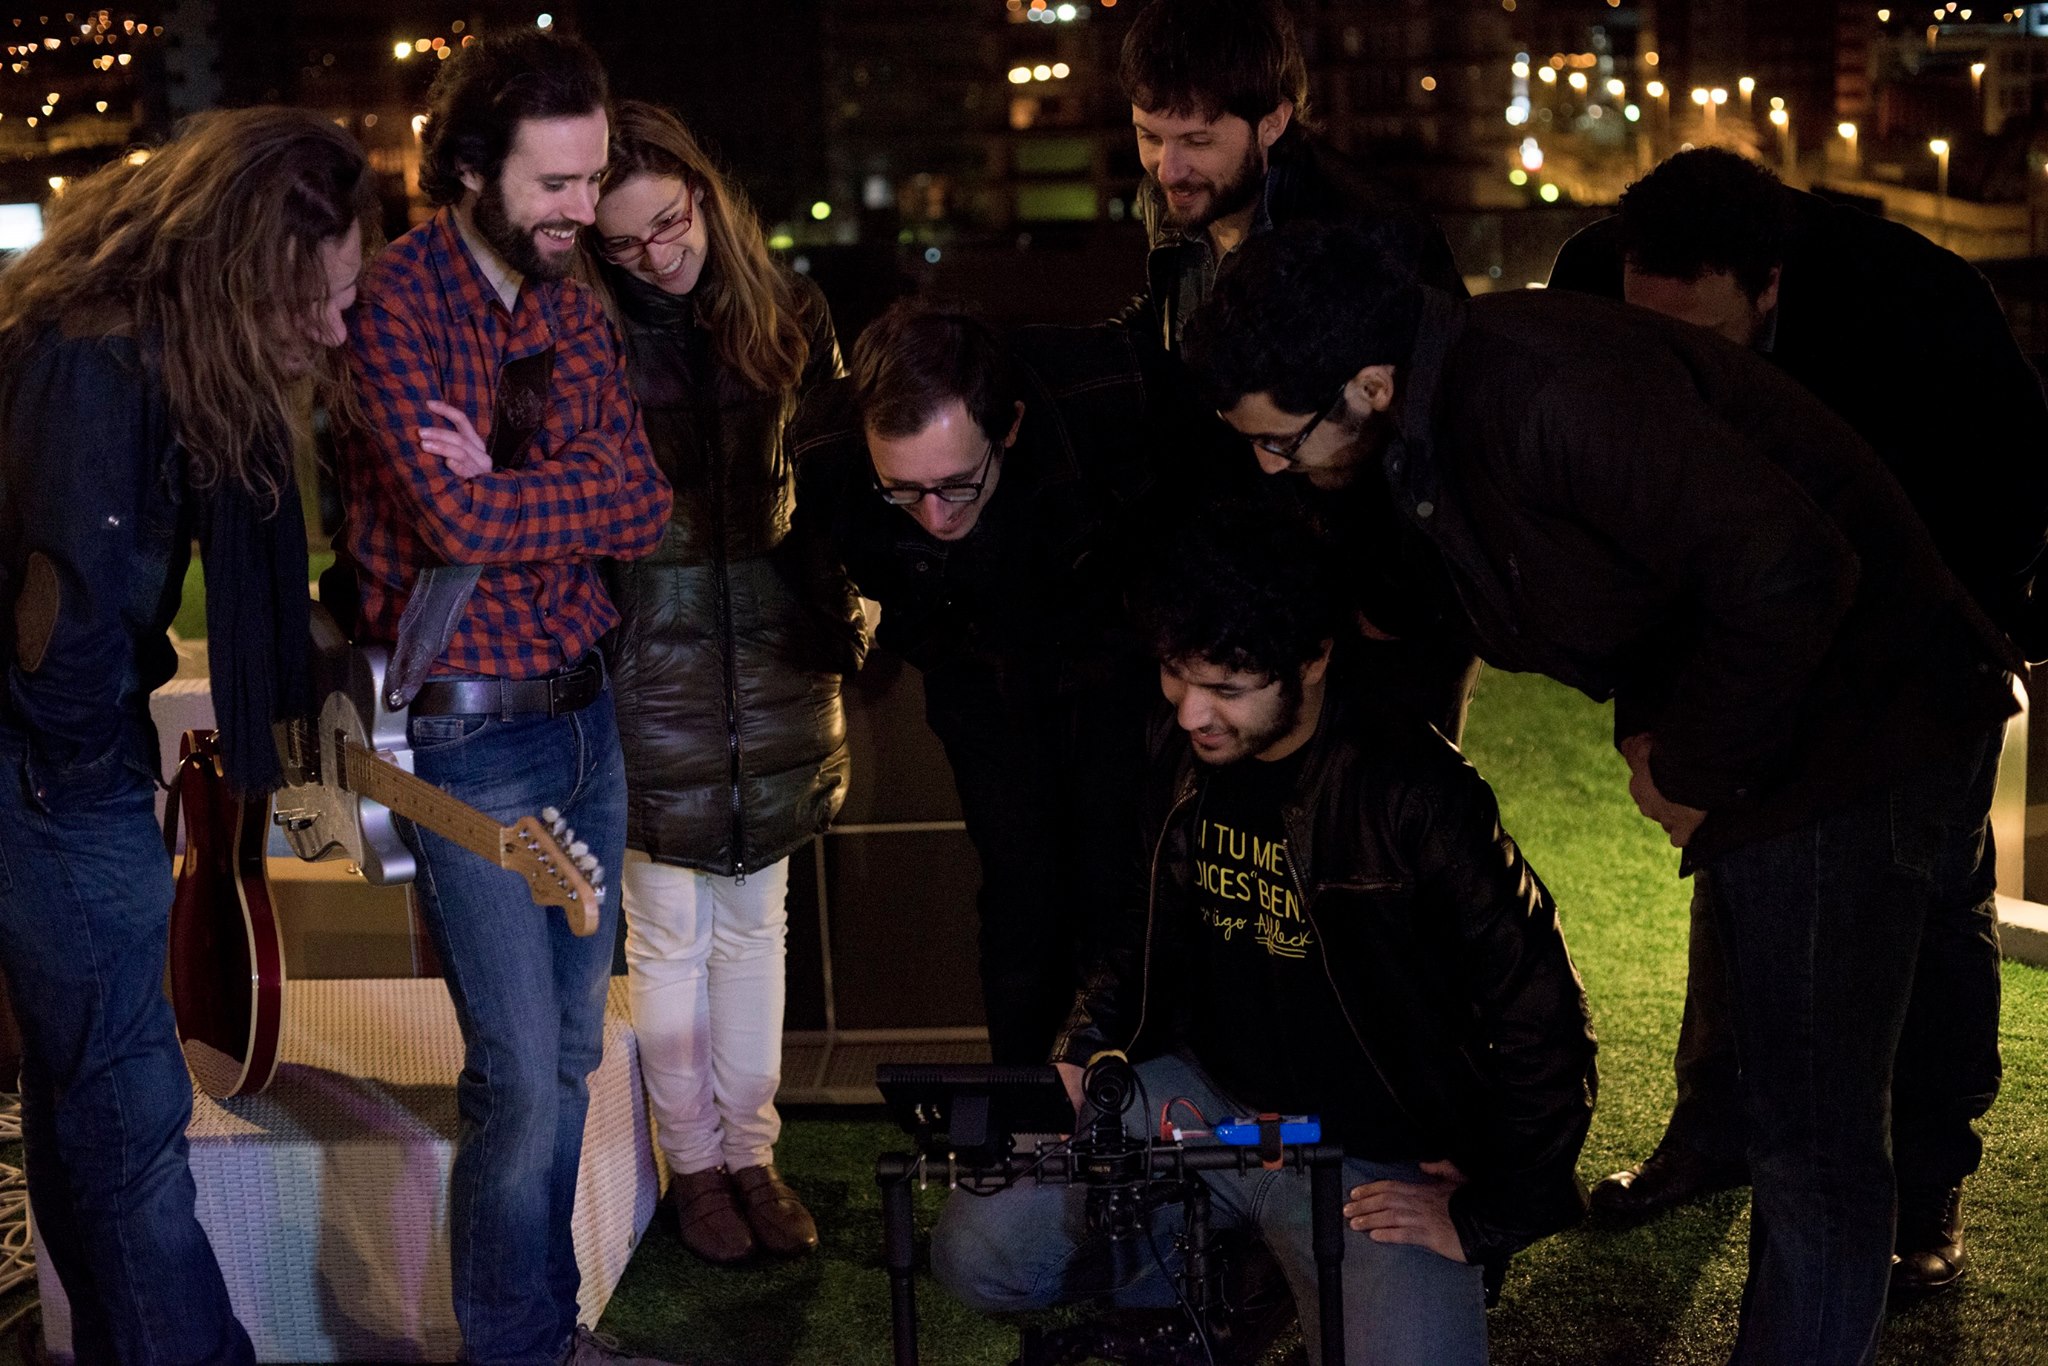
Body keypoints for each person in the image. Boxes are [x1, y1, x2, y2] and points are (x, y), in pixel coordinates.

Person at [1183, 220, 2019, 1365]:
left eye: (1278, 443)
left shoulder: (1542, 395)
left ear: (1366, 385)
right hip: (1790, 726)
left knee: (1812, 1143)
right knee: (1786, 1103)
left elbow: (1788, 566)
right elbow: (1649, 577)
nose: (1270, 467)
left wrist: (1686, 766)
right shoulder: (1437, 412)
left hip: (1861, 727)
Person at [928, 499, 1597, 1366]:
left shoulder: (1413, 791)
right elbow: (1130, 932)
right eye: (1177, 673)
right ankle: (1233, 1265)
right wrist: (1085, 1051)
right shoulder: (1177, 753)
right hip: (1210, 1111)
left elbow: (1543, 1013)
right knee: (978, 1251)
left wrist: (1487, 1213)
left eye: (1229, 691)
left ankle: (1283, 1268)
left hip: (1362, 1150)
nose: (1192, 714)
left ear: (1314, 659)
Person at [1548, 147, 2048, 1290]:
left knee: (1925, 898)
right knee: (1734, 871)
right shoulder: (1589, 282)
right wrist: (1654, 706)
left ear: (1767, 283)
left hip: (1921, 649)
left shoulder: (1913, 307)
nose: (1674, 366)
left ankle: (1924, 1183)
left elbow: (2009, 504)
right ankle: (1713, 1129)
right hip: (1734, 642)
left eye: (1703, 340)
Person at [0, 108, 374, 1366]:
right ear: (233, 269)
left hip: (55, 767)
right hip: (48, 773)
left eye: (346, 296)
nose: (333, 329)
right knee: (129, 1114)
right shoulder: (98, 367)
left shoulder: (142, 343)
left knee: (87, 1107)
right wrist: (85, 786)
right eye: (312, 300)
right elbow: (61, 631)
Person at [335, 31, 674, 1366]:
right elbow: (446, 506)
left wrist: (514, 489)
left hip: (587, 717)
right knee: (521, 1078)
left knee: (572, 1066)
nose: (580, 212)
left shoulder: (571, 295)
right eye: (555, 183)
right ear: (470, 169)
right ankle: (519, 1351)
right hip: (467, 733)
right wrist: (540, 488)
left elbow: (640, 501)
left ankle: (545, 1334)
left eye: (592, 182)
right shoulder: (398, 298)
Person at [789, 299, 1220, 1065]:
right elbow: (838, 571)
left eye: (955, 484)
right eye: (903, 490)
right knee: (1021, 892)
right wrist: (929, 637)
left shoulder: (1108, 394)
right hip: (974, 665)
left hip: (1117, 653)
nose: (932, 514)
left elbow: (1205, 522)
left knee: (1125, 878)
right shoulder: (827, 449)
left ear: (1009, 428)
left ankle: (1141, 1103)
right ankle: (1026, 1112)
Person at [590, 101, 863, 1268]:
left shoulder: (786, 310)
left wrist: (847, 606)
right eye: (627, 244)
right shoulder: (585, 331)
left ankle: (752, 1153)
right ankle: (692, 1165)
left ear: (705, 195)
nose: (660, 256)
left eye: (670, 223)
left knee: (759, 921)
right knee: (667, 937)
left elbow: (838, 477)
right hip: (647, 665)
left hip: (775, 656)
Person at [1118, 0, 1480, 742]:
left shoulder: (1366, 234)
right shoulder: (1183, 203)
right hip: (1254, 582)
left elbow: (1431, 436)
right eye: (1148, 136)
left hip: (1376, 601)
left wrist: (1387, 605)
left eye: (1196, 140)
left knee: (1383, 818)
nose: (1168, 167)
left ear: (1274, 122)